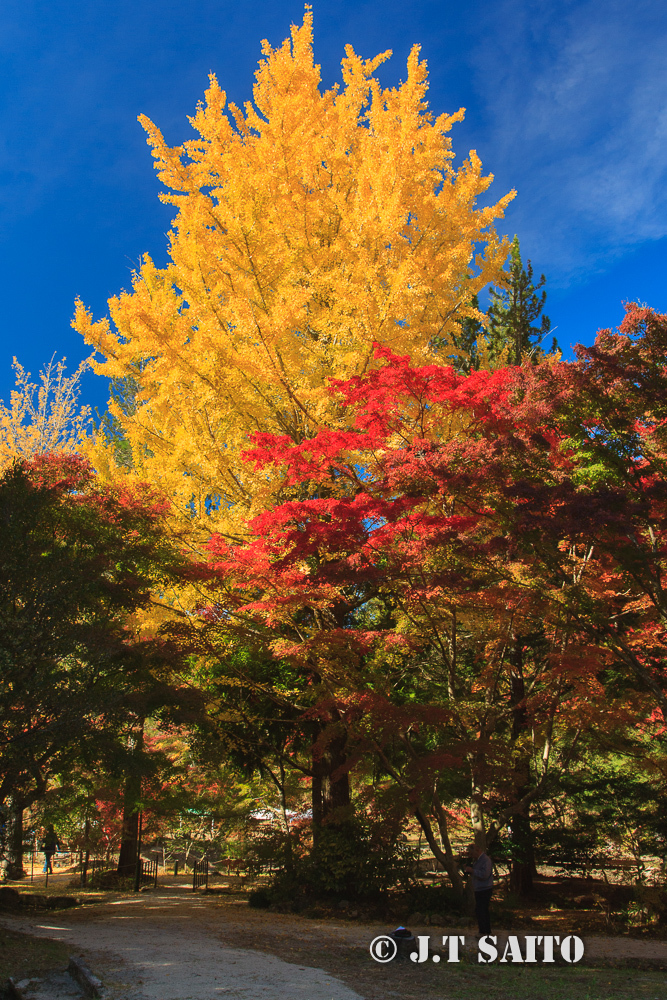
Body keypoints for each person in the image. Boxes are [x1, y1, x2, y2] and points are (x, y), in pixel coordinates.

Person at [465, 843, 493, 937]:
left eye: (472, 854)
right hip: (478, 888)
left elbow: (484, 875)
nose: (472, 856)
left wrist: (473, 871)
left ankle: (485, 931)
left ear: (477, 851)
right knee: (480, 910)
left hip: (485, 888)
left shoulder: (485, 860)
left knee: (482, 909)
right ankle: (484, 930)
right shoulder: (477, 861)